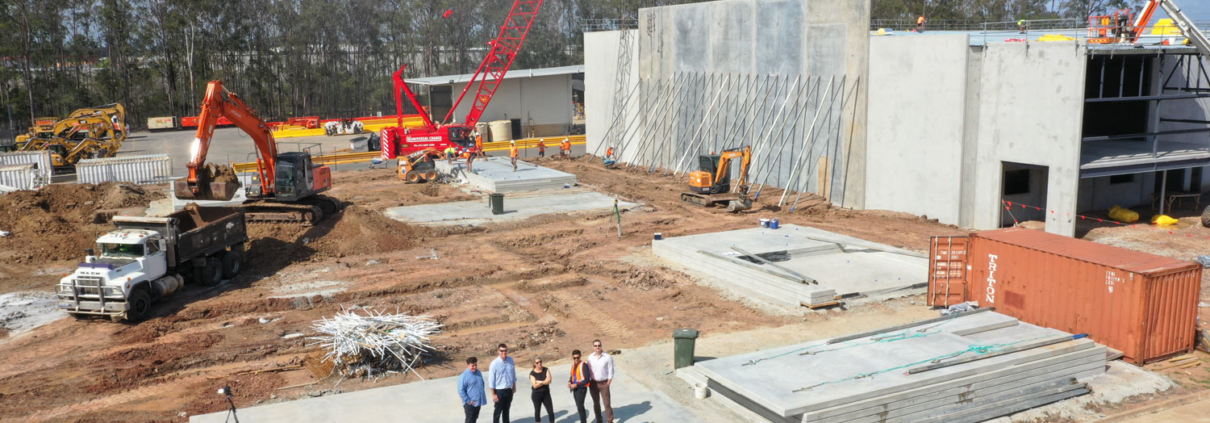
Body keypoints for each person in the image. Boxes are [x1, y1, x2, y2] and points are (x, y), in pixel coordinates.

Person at [587, 339, 615, 423]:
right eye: (595, 346)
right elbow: (587, 370)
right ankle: (599, 420)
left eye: (599, 345)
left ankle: (610, 420)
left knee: (607, 404)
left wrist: (608, 383)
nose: (597, 347)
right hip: (593, 383)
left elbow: (611, 370)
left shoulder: (608, 357)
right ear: (593, 347)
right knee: (596, 403)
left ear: (601, 346)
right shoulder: (590, 357)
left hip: (604, 383)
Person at [488, 343, 516, 423]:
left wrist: (514, 387)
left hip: (509, 390)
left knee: (506, 411)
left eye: (505, 351)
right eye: (501, 351)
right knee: (498, 411)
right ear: (498, 351)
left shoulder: (510, 360)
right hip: (499, 391)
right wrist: (493, 394)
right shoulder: (494, 364)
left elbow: (513, 374)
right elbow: (491, 380)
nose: (504, 352)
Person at [567, 349, 593, 423]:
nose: (576, 359)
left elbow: (587, 379)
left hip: (581, 389)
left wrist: (577, 384)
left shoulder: (584, 365)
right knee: (578, 406)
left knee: (580, 407)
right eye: (574, 358)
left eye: (577, 357)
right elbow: (572, 376)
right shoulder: (573, 365)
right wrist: (569, 382)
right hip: (574, 388)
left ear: (580, 356)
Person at [459, 357, 487, 423]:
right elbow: (461, 390)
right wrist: (468, 400)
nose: (474, 367)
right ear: (468, 365)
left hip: (478, 402)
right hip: (470, 404)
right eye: (472, 365)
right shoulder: (464, 376)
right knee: (470, 420)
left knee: (474, 418)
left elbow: (482, 384)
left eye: (475, 365)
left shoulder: (478, 372)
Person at [529, 357, 554, 423]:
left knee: (550, 411)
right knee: (537, 411)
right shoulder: (532, 373)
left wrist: (539, 382)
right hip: (536, 395)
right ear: (534, 364)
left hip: (546, 394)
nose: (539, 363)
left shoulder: (546, 369)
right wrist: (544, 382)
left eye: (540, 362)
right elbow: (535, 385)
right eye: (537, 362)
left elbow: (549, 380)